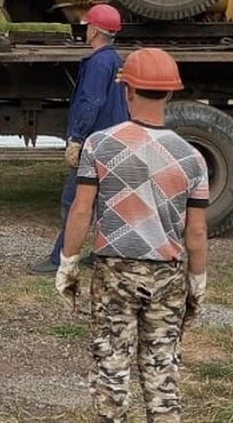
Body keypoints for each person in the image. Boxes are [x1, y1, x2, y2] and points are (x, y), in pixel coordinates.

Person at [55, 48, 209, 423]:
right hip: (168, 276)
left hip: (114, 274)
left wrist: (68, 263)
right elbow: (197, 230)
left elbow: (82, 209)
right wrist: (197, 281)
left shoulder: (99, 145)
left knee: (111, 366)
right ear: (170, 93)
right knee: (162, 372)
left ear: (127, 91)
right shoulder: (192, 157)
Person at [30, 3, 129, 275]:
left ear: (95, 31)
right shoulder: (115, 60)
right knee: (106, 202)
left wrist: (77, 137)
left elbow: (90, 102)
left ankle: (60, 258)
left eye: (88, 27)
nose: (85, 31)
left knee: (73, 201)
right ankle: (102, 254)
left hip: (94, 143)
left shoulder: (98, 63)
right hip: (113, 140)